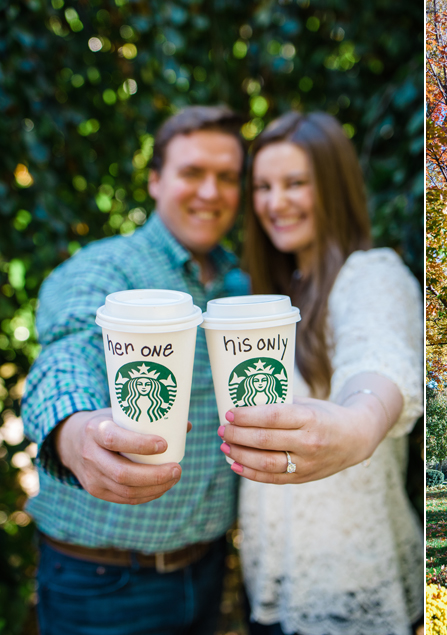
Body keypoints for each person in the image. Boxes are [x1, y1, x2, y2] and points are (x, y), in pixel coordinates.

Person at [22, 105, 250, 635]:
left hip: (208, 569)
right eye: (192, 172)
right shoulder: (107, 268)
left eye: (227, 177)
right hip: (103, 584)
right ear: (155, 180)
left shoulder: (239, 282)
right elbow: (67, 348)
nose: (211, 192)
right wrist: (73, 431)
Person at [217, 112, 424, 634]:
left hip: (350, 577)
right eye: (263, 186)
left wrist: (357, 424)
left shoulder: (371, 275)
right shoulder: (278, 292)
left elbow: (380, 366)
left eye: (295, 183)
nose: (274, 202)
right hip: (275, 573)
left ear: (332, 187)